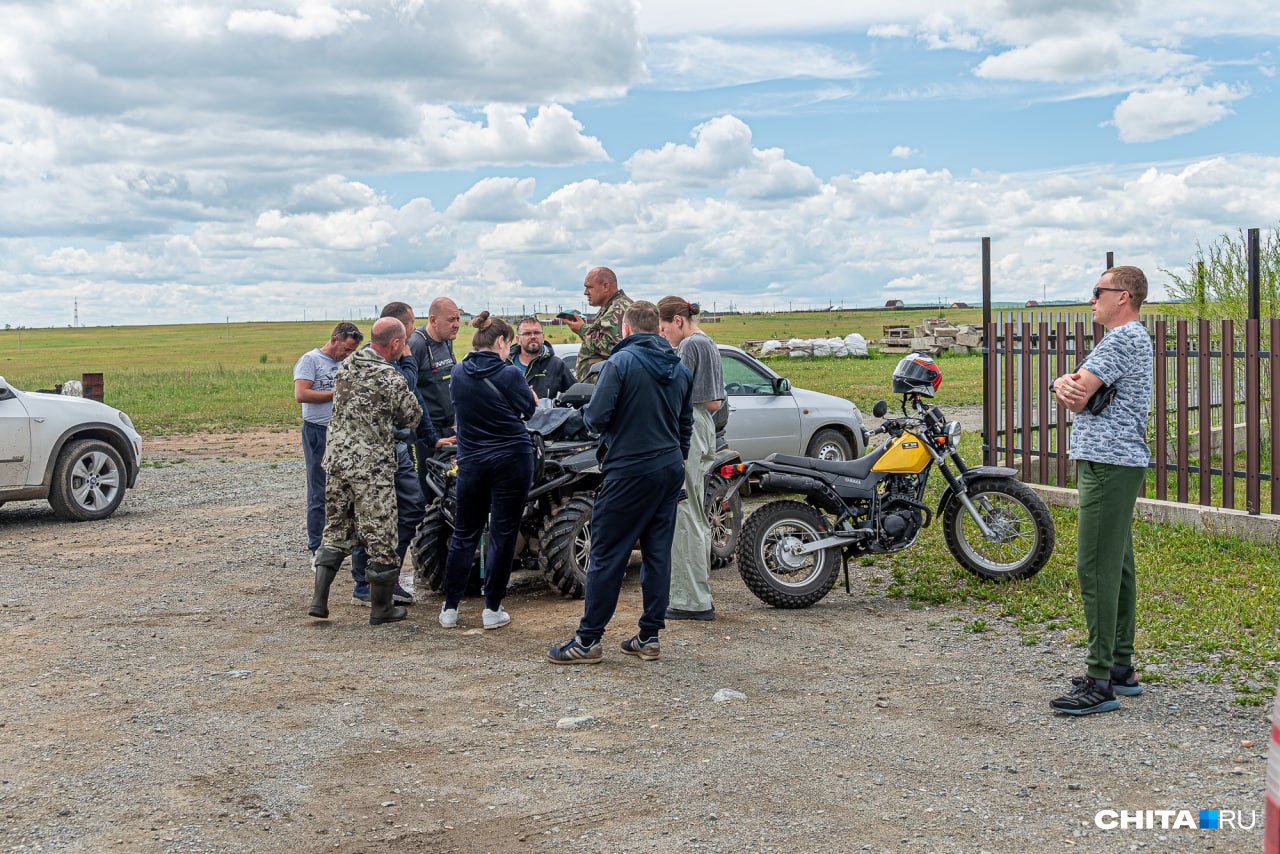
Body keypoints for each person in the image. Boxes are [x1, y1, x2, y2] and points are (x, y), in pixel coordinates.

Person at [548, 301, 692, 665]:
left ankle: (588, 640)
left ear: (626, 329)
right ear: (658, 330)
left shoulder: (620, 363)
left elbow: (596, 418)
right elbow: (684, 423)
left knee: (607, 554)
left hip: (629, 469)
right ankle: (649, 636)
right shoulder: (679, 367)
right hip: (670, 466)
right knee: (657, 554)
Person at [1048, 265, 1153, 716]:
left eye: (1098, 292)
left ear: (1123, 297)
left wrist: (1061, 383)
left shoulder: (1123, 339)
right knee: (1119, 565)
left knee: (1095, 567)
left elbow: (1077, 393)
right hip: (1115, 463)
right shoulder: (1127, 340)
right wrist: (1065, 384)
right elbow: (1078, 390)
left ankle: (1098, 682)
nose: (1091, 299)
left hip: (1108, 466)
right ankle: (1119, 669)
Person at [308, 317, 423, 626]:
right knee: (381, 535)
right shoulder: (389, 376)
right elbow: (411, 416)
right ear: (397, 344)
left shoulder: (346, 366)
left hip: (337, 463)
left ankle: (319, 601)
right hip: (371, 468)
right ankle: (381, 608)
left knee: (335, 529)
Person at [438, 312, 537, 630]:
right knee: (503, 533)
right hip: (511, 457)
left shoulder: (458, 372)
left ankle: (450, 608)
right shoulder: (509, 374)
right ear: (500, 341)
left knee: (464, 533)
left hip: (472, 460)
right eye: (509, 343)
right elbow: (529, 409)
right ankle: (492, 608)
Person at [348, 302, 437, 607]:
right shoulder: (383, 361)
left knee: (407, 509)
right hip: (376, 451)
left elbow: (416, 401)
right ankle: (367, 583)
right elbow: (406, 388)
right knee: (375, 515)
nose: (416, 330)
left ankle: (385, 576)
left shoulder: (395, 356)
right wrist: (410, 362)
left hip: (396, 448)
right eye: (413, 324)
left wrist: (432, 438)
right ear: (401, 331)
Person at [657, 297, 725, 621]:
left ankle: (691, 600)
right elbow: (716, 400)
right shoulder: (708, 343)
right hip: (704, 426)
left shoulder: (688, 347)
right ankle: (694, 594)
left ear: (678, 321)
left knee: (686, 514)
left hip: (692, 425)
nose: (663, 335)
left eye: (664, 328)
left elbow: (675, 392)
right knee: (697, 511)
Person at [293, 321, 363, 559]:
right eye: (346, 349)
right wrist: (335, 395)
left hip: (343, 431)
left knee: (344, 489)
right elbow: (301, 394)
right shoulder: (310, 360)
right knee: (319, 490)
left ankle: (340, 543)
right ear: (335, 339)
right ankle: (316, 547)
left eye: (352, 351)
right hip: (317, 431)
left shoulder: (346, 363)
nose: (347, 354)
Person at [410, 297, 461, 478]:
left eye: (458, 319)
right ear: (433, 320)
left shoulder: (447, 340)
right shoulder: (417, 344)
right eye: (451, 320)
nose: (456, 325)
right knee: (429, 481)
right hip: (427, 432)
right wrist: (429, 435)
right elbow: (409, 391)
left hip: (450, 428)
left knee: (449, 480)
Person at [564, 267, 633, 383]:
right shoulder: (610, 308)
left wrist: (582, 329)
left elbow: (610, 346)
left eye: (589, 287)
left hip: (605, 386)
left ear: (605, 286)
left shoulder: (618, 309)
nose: (585, 292)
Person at [509, 316, 575, 401]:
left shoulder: (556, 365)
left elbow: (575, 396)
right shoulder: (506, 364)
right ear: (518, 339)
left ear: (543, 337)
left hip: (545, 414)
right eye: (527, 333)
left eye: (536, 333)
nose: (533, 336)